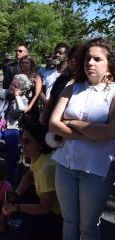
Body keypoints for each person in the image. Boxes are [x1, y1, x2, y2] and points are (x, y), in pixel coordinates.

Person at [49, 38, 115, 240]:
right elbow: (53, 124)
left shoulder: (113, 92)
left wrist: (72, 123)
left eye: (97, 59)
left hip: (96, 169)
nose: (91, 63)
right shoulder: (72, 87)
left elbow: (109, 133)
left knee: (88, 227)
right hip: (65, 165)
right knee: (69, 221)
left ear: (109, 63)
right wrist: (92, 132)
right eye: (88, 58)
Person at [2, 120, 62, 240]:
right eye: (22, 141)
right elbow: (29, 177)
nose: (22, 145)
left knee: (23, 234)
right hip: (47, 207)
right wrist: (16, 195)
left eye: (27, 142)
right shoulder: (39, 157)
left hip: (57, 217)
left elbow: (44, 208)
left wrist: (16, 207)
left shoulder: (47, 167)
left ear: (40, 144)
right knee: (23, 195)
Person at [0, 74, 30, 182]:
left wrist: (17, 96)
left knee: (13, 144)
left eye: (16, 86)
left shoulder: (23, 100)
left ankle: (10, 178)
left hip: (12, 127)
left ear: (22, 90)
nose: (12, 87)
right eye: (12, 84)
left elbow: (21, 109)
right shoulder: (1, 93)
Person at [19, 55, 42, 120]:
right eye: (22, 63)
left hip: (32, 105)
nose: (24, 64)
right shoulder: (17, 76)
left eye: (26, 63)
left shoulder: (36, 77)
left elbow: (37, 95)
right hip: (19, 104)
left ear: (31, 64)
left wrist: (29, 107)